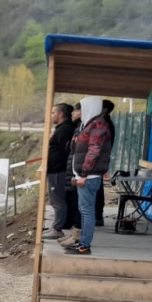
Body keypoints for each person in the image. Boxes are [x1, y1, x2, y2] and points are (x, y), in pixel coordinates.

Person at [66, 95, 113, 256]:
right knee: (84, 210)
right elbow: (79, 148)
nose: (79, 111)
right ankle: (82, 243)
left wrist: (84, 173)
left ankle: (84, 245)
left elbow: (94, 151)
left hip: (89, 176)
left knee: (87, 211)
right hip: (85, 175)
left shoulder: (98, 125)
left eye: (82, 107)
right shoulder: (89, 124)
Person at [43, 103, 76, 240]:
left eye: (53, 112)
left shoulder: (65, 130)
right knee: (56, 199)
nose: (51, 115)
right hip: (55, 169)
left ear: (61, 114)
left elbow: (65, 151)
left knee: (58, 200)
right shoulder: (61, 129)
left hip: (58, 170)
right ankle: (56, 226)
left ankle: (57, 228)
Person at [59, 102, 84, 247]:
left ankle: (80, 238)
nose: (72, 113)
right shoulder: (78, 127)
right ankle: (74, 232)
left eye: (75, 110)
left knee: (79, 205)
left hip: (78, 173)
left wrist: (80, 174)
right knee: (73, 202)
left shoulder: (86, 128)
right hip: (73, 171)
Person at [97, 99, 116, 227]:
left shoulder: (104, 124)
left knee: (96, 189)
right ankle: (97, 216)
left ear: (104, 110)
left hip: (98, 160)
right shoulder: (105, 123)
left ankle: (97, 216)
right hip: (100, 160)